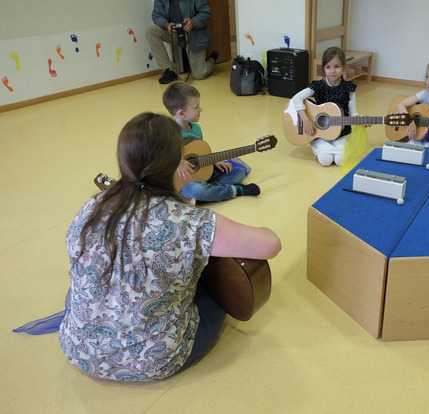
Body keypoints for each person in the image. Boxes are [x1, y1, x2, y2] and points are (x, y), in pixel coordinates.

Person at [58, 113, 281, 381]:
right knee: (216, 285)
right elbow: (270, 244)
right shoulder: (187, 221)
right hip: (155, 360)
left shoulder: (92, 206)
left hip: (77, 347)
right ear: (177, 163)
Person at [163, 82, 261, 202]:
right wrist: (178, 161)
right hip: (184, 182)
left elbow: (199, 151)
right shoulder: (167, 133)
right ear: (181, 113)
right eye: (196, 107)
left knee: (238, 172)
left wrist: (215, 161)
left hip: (201, 174)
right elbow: (159, 159)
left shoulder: (196, 129)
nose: (201, 109)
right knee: (198, 190)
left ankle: (209, 195)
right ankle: (235, 191)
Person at [291, 47, 367, 167]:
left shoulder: (349, 89)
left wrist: (361, 119)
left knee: (340, 161)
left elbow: (353, 113)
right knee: (325, 161)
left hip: (342, 134)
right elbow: (296, 98)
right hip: (321, 134)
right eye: (328, 67)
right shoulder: (318, 86)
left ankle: (333, 148)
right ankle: (319, 146)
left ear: (343, 67)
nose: (332, 71)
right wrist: (305, 120)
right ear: (323, 69)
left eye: (337, 66)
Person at [145, 0, 218, 84]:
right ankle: (169, 70)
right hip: (174, 34)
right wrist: (167, 25)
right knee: (151, 31)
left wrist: (193, 22)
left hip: (193, 35)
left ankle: (212, 59)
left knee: (199, 75)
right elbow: (156, 15)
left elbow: (206, 13)